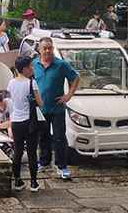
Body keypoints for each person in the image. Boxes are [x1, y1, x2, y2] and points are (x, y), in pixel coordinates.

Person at [34, 37, 80, 180]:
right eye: (44, 48)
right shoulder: (34, 64)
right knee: (43, 137)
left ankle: (62, 166)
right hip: (41, 108)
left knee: (59, 138)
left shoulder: (60, 65)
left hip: (57, 108)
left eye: (50, 48)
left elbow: (76, 77)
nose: (47, 51)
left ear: (53, 48)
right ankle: (44, 162)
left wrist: (69, 95)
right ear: (39, 50)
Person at [7, 56, 43, 192]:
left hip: (15, 121)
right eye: (31, 66)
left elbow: (13, 100)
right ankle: (33, 182)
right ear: (25, 69)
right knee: (32, 151)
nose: (33, 68)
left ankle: (17, 180)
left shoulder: (11, 83)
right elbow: (39, 102)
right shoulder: (31, 83)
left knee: (17, 151)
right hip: (29, 121)